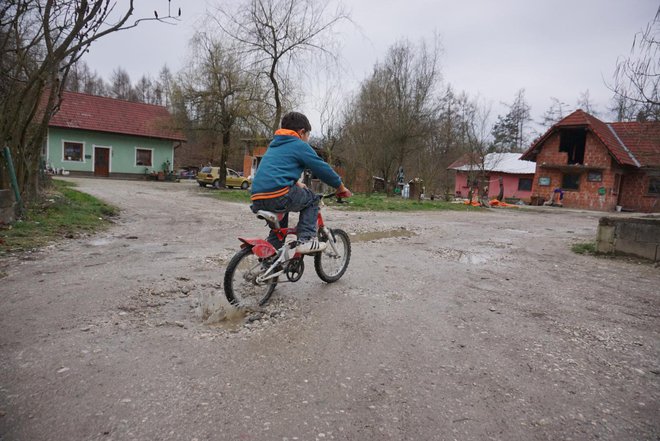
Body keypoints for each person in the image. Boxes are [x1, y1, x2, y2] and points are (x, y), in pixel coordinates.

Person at [250, 111, 352, 254]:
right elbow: (321, 168)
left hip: (257, 197)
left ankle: (270, 263)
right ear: (302, 132)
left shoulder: (275, 144)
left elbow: (276, 171)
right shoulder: (298, 144)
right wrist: (340, 186)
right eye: (308, 136)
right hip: (278, 195)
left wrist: (296, 183)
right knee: (312, 199)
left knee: (279, 231)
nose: (307, 140)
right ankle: (306, 239)